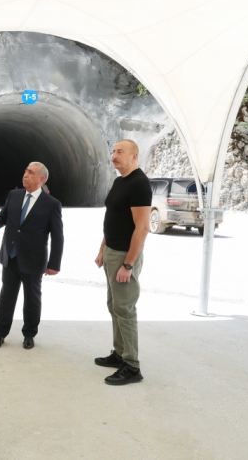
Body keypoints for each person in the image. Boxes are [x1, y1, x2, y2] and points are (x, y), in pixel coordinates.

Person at [0, 162, 63, 349]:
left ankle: (29, 334)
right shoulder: (14, 195)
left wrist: (54, 264)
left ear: (41, 179)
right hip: (10, 257)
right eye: (25, 171)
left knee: (32, 300)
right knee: (6, 298)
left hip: (34, 260)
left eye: (30, 172)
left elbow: (58, 236)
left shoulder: (52, 204)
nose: (25, 175)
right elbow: (4, 217)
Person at [94, 139, 152, 385]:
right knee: (114, 306)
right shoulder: (120, 182)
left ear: (134, 156)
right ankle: (119, 353)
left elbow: (142, 228)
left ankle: (132, 365)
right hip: (111, 252)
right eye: (113, 151)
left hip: (124, 256)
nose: (114, 156)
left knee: (125, 310)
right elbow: (113, 219)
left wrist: (128, 264)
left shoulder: (139, 184)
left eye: (120, 152)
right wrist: (102, 249)